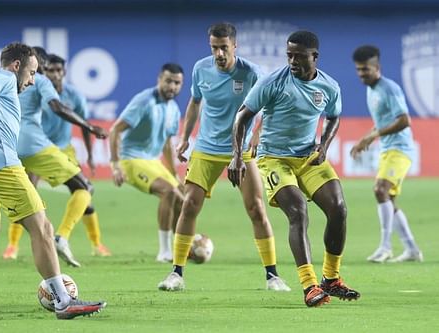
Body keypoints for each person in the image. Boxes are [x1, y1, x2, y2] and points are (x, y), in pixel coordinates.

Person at [0, 42, 104, 318]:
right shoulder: (3, 77)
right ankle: (63, 301)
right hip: (2, 167)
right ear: (17, 66)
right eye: (31, 73)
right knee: (42, 226)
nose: (31, 81)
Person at [228, 30, 360, 307]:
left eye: (299, 56)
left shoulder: (329, 87)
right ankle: (309, 285)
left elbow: (334, 117)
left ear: (315, 57)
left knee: (338, 208)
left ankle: (331, 279)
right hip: (274, 159)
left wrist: (323, 145)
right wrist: (237, 156)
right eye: (289, 55)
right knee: (298, 211)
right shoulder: (273, 82)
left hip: (308, 157)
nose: (292, 61)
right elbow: (242, 118)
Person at [158, 23, 290, 292]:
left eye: (224, 48)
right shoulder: (200, 69)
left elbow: (272, 105)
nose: (219, 53)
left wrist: (258, 133)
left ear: (234, 47)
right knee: (189, 206)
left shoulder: (252, 73)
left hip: (240, 151)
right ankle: (176, 274)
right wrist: (185, 138)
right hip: (206, 148)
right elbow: (195, 102)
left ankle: (273, 276)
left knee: (255, 208)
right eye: (214, 48)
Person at [2, 53, 112, 261]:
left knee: (84, 197)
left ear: (64, 72)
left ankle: (96, 243)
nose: (54, 74)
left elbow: (83, 123)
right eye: (50, 70)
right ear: (45, 70)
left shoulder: (74, 96)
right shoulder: (34, 88)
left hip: (62, 148)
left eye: (58, 70)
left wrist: (89, 154)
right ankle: (12, 246)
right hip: (39, 147)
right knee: (28, 194)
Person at [351, 45, 423, 263]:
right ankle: (411, 249)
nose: (362, 74)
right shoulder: (371, 90)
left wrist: (373, 135)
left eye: (366, 69)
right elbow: (382, 122)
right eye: (359, 70)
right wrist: (366, 137)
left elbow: (404, 120)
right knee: (388, 199)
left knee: (380, 190)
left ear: (377, 67)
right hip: (388, 149)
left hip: (400, 148)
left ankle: (385, 246)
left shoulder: (389, 89)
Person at [109, 63, 185, 263]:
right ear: (159, 79)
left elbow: (167, 144)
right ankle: (164, 251)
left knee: (183, 197)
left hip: (153, 161)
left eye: (177, 83)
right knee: (168, 192)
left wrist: (175, 174)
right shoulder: (145, 101)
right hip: (132, 160)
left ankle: (182, 247)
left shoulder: (174, 109)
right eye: (168, 81)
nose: (172, 86)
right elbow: (115, 130)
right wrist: (115, 166)